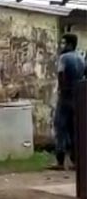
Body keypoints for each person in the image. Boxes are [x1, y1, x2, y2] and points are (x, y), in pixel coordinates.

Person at [50, 33, 86, 170]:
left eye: (64, 43)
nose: (62, 46)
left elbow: (61, 75)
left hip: (65, 97)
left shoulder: (64, 58)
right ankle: (76, 161)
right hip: (78, 98)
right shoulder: (81, 58)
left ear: (70, 44)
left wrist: (61, 90)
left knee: (60, 126)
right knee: (74, 129)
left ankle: (60, 161)